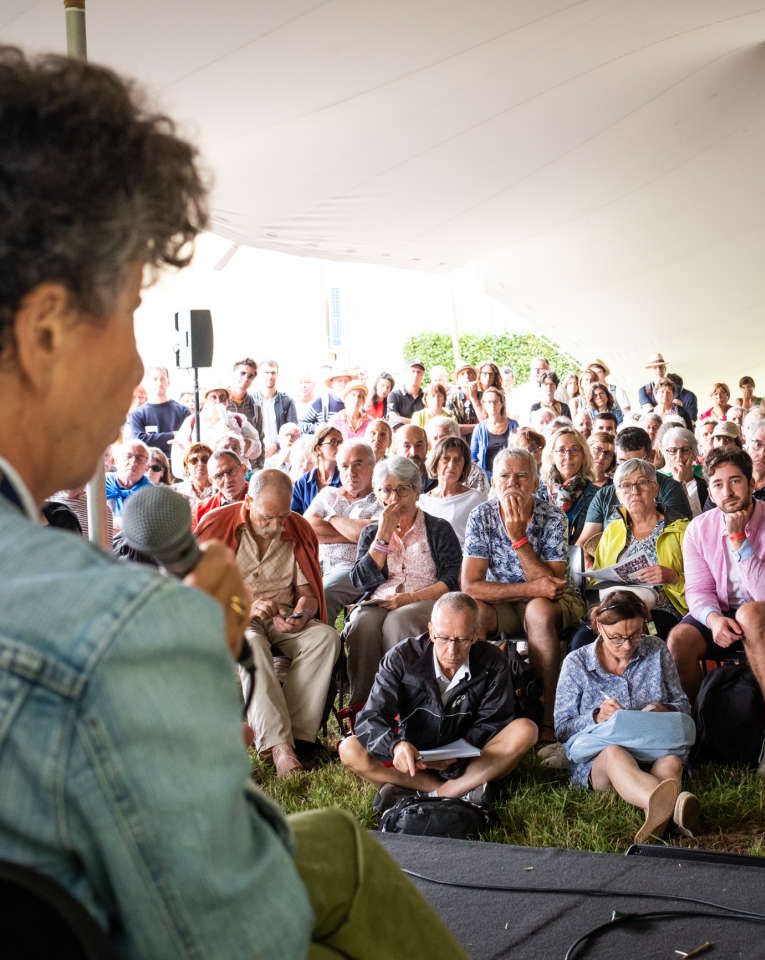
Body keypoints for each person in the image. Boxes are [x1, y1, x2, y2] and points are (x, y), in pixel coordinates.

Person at [0, 48, 468, 957]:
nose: (139, 366)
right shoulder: (107, 635)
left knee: (332, 840)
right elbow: (240, 934)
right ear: (47, 328)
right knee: (335, 863)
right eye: (132, 307)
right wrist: (193, 670)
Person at [669, 448, 765, 777]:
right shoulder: (699, 529)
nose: (728, 491)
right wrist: (712, 619)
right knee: (679, 638)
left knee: (751, 614)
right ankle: (695, 729)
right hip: (725, 611)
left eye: (735, 481)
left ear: (752, 483)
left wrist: (738, 538)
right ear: (709, 490)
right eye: (718, 484)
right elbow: (697, 590)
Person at [196, 470, 341, 777]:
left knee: (325, 638)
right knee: (251, 643)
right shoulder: (217, 525)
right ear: (248, 502)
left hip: (281, 616)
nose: (276, 527)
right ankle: (280, 748)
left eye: (282, 517)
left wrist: (302, 612)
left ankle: (299, 738)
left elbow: (308, 592)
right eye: (267, 518)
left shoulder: (297, 528)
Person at [341, 591, 538, 812]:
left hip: (468, 756)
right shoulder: (401, 657)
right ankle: (460, 792)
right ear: (431, 631)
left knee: (526, 730)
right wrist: (396, 746)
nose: (452, 650)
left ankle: (428, 794)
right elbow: (371, 718)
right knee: (349, 748)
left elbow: (493, 722)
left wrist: (454, 756)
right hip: (414, 756)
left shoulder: (493, 661)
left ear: (475, 635)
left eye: (462, 639)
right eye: (444, 638)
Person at [461, 448, 585, 751]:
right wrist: (530, 589)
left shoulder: (552, 516)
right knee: (472, 614)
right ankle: (477, 714)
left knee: (540, 612)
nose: (512, 483)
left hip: (555, 603)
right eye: (504, 476)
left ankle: (548, 719)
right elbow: (471, 586)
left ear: (534, 483)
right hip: (504, 600)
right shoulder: (482, 516)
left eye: (521, 476)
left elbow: (553, 586)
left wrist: (518, 539)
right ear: (494, 481)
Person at [554, 591, 696, 843]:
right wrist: (596, 716)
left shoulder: (657, 650)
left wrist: (663, 709)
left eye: (635, 635)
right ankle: (673, 809)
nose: (628, 645)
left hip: (652, 748)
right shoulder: (576, 663)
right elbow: (562, 729)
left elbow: (682, 705)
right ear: (599, 627)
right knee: (614, 753)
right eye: (617, 638)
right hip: (602, 761)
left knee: (672, 761)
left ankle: (655, 816)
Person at [347, 456, 463, 711]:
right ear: (378, 494)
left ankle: (405, 704)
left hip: (424, 598)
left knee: (398, 621)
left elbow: (452, 578)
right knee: (361, 624)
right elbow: (359, 581)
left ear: (416, 491)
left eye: (402, 489)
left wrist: (408, 598)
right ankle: (364, 705)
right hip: (381, 598)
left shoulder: (438, 528)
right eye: (386, 490)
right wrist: (383, 535)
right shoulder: (372, 532)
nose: (394, 497)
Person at [575, 457, 690, 643]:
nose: (634, 491)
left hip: (656, 612)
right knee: (581, 640)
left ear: (655, 488)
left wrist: (672, 577)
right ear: (618, 495)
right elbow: (599, 580)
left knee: (648, 637)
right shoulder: (613, 530)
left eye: (642, 483)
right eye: (625, 486)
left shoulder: (681, 530)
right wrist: (592, 573)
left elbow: (702, 583)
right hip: (614, 609)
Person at [577, 426, 693, 550]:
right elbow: (583, 544)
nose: (628, 470)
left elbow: (681, 539)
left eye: (635, 463)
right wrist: (586, 561)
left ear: (650, 457)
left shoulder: (670, 489)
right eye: (622, 462)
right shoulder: (605, 495)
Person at [304, 438, 382, 617]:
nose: (351, 472)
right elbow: (307, 528)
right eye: (345, 466)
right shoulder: (328, 494)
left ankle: (324, 644)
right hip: (317, 563)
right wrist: (353, 531)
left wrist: (330, 518)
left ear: (373, 466)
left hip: (354, 568)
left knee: (325, 593)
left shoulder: (380, 500)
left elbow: (367, 534)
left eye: (358, 464)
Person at [418, 434, 488, 541]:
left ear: (464, 465)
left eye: (458, 460)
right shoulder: (423, 501)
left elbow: (485, 538)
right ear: (436, 462)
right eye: (445, 459)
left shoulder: (475, 499)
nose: (451, 465)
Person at [537, 425, 599, 544]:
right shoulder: (538, 493)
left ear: (583, 455)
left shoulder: (596, 496)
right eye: (561, 450)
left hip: (580, 558)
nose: (568, 456)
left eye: (574, 449)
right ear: (552, 456)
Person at [125, 365, 192, 451]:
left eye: (162, 379)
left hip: (177, 462)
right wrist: (173, 435)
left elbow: (189, 438)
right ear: (147, 383)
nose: (159, 383)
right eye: (155, 379)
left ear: (168, 382)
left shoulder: (183, 411)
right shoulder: (137, 414)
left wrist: (152, 439)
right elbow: (139, 440)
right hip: (149, 463)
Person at [290, 423, 342, 514]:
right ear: (318, 449)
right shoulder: (303, 482)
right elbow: (294, 515)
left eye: (341, 443)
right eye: (333, 442)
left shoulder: (345, 479)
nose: (339, 447)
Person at [469, 386, 518, 478]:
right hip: (485, 477)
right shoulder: (479, 429)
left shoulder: (513, 425)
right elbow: (473, 457)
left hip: (509, 475)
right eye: (489, 402)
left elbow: (519, 452)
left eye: (495, 401)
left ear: (501, 403)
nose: (492, 405)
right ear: (484, 404)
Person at [660, 425, 708, 516]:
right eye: (673, 450)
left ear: (694, 454)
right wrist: (678, 483)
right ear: (665, 455)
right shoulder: (659, 486)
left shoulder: (705, 485)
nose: (679, 456)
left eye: (685, 450)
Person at [104, 438, 152, 529]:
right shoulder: (101, 484)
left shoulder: (152, 493)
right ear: (116, 461)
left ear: (147, 467)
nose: (133, 462)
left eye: (140, 458)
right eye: (128, 456)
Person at [193, 449, 249, 525]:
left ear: (244, 469)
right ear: (211, 481)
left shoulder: (262, 498)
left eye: (231, 471)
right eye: (219, 476)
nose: (227, 480)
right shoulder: (201, 511)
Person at [252, 359, 298, 447]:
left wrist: (277, 446)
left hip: (280, 454)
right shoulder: (251, 401)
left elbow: (293, 432)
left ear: (277, 375)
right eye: (266, 372)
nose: (270, 376)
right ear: (258, 375)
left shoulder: (287, 401)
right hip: (256, 453)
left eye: (273, 373)